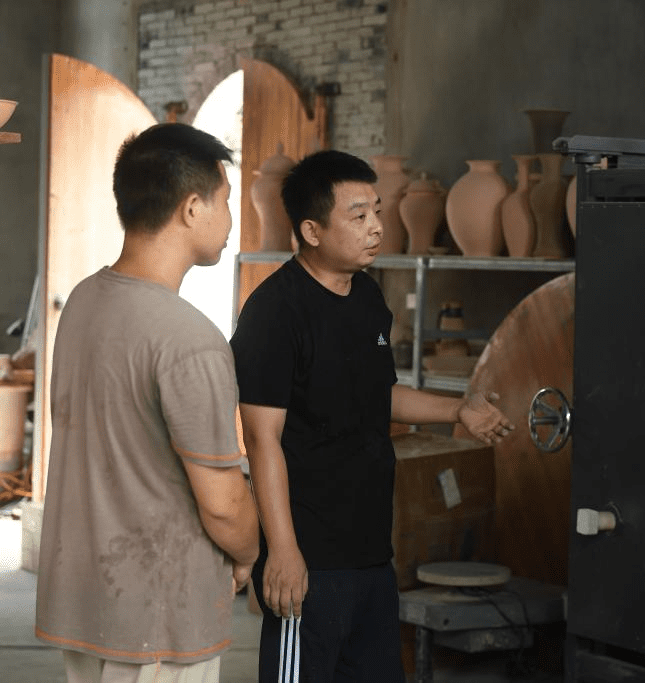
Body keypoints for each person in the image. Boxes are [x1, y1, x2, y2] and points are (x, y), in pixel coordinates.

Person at [230, 149, 514, 682]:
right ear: (312, 231)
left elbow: (378, 395)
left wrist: (458, 409)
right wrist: (284, 552)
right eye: (358, 216)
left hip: (371, 556)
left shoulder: (365, 297)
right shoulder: (274, 313)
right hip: (310, 559)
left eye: (377, 211)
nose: (377, 228)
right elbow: (261, 440)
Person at [35, 123, 260, 682]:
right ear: (190, 208)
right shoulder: (189, 340)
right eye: (225, 202)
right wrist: (251, 553)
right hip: (160, 618)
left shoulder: (86, 300)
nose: (231, 220)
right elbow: (225, 504)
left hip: (88, 602)